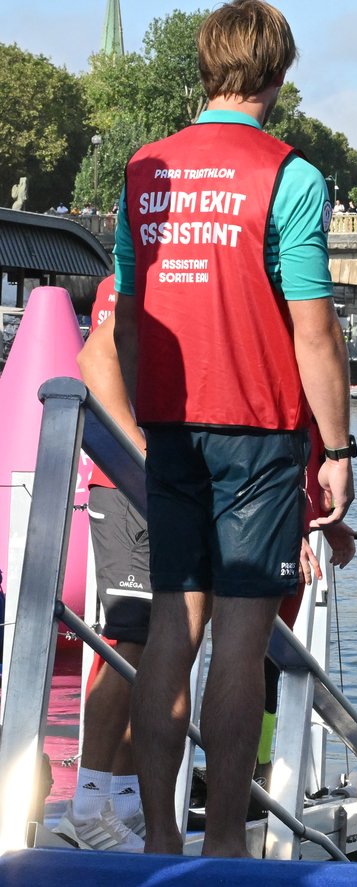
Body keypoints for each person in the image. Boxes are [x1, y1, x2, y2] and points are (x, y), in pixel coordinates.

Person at [113, 0, 354, 857]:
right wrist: (337, 448)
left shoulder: (145, 171)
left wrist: (150, 417)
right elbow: (314, 330)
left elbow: (130, 323)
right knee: (241, 645)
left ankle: (158, 844)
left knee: (171, 634)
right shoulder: (290, 176)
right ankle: (221, 849)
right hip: (257, 430)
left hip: (171, 424)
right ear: (279, 77)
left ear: (205, 67)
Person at [55, 275, 149, 853]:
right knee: (130, 638)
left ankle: (124, 800)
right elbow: (97, 357)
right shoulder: (131, 277)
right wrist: (140, 449)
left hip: (163, 484)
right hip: (124, 484)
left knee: (165, 643)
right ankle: (88, 804)